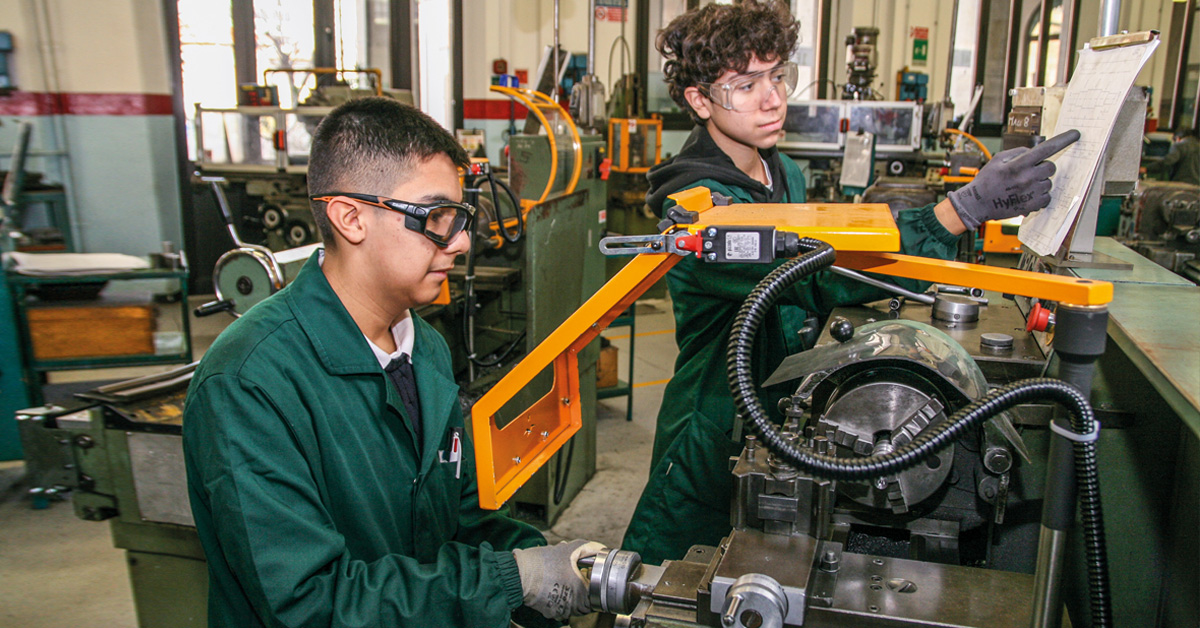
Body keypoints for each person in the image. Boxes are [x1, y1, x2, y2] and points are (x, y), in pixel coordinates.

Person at [622, 0, 1079, 566]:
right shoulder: (694, 206)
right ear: (698, 100)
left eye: (778, 75)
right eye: (745, 84)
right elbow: (813, 274)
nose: (773, 98)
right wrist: (956, 212)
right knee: (666, 575)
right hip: (712, 424)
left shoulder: (780, 169)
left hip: (781, 414)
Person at [184, 97, 603, 627]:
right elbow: (308, 604)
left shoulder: (423, 346)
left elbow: (463, 517)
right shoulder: (249, 383)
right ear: (350, 217)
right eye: (436, 217)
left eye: (462, 217)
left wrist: (552, 564)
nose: (462, 241)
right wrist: (505, 582)